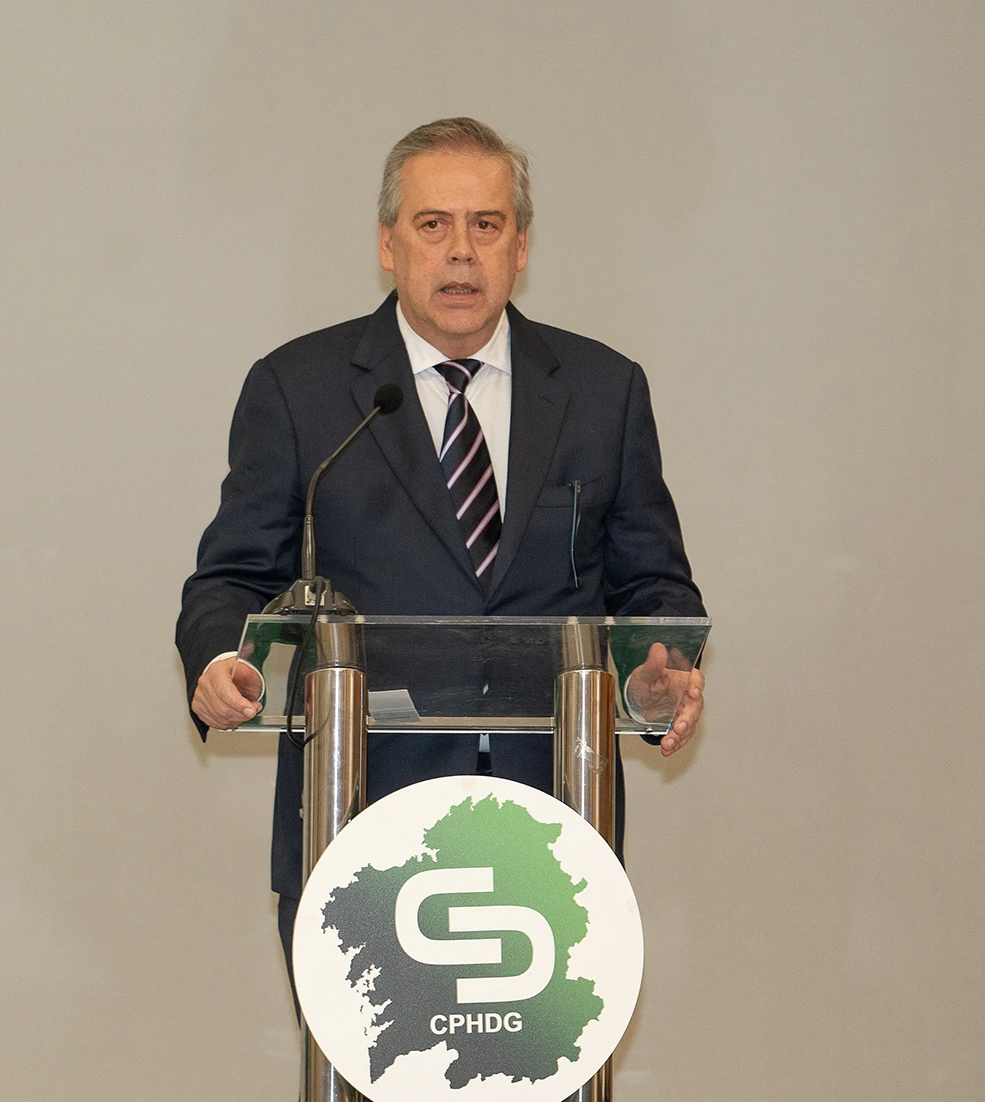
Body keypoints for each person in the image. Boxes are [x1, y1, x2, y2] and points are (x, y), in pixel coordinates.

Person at [176, 117, 705, 979]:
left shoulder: (603, 392)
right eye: (433, 224)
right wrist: (217, 659)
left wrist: (660, 671)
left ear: (521, 246)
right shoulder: (301, 390)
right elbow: (231, 577)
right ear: (389, 244)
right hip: (361, 822)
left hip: (555, 829)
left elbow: (656, 586)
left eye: (486, 224)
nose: (462, 250)